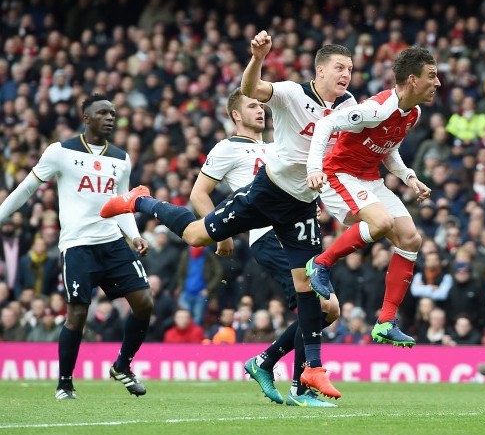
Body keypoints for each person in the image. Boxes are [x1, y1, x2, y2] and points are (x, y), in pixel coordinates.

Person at [100, 34, 356, 401]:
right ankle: (140, 202)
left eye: (350, 69)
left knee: (318, 298)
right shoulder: (237, 140)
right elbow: (199, 192)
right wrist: (258, 57)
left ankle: (299, 374)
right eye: (339, 68)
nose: (259, 110)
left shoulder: (290, 135)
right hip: (265, 218)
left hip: (298, 207)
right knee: (195, 236)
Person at [189, 87, 339, 407]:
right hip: (268, 237)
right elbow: (199, 194)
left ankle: (265, 361)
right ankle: (300, 388)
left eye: (262, 106)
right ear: (235, 115)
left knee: (330, 309)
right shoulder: (227, 148)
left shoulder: (277, 147)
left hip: (296, 230)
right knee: (317, 305)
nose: (261, 110)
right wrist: (221, 235)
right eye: (252, 106)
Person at [0, 93, 153, 400]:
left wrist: (134, 235)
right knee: (77, 315)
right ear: (86, 118)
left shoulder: (121, 158)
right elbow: (27, 187)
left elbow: (122, 204)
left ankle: (122, 365)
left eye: (113, 113)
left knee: (145, 303)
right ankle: (65, 383)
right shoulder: (60, 152)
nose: (110, 118)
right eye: (103, 113)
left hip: (112, 242)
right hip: (78, 247)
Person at [304, 46, 439, 347]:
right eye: (432, 76)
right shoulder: (376, 108)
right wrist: (314, 169)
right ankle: (321, 264)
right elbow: (327, 123)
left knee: (411, 240)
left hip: (369, 179)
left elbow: (387, 148)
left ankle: (386, 322)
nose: (438, 82)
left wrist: (409, 177)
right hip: (338, 174)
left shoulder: (413, 112)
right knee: (381, 222)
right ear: (412, 79)